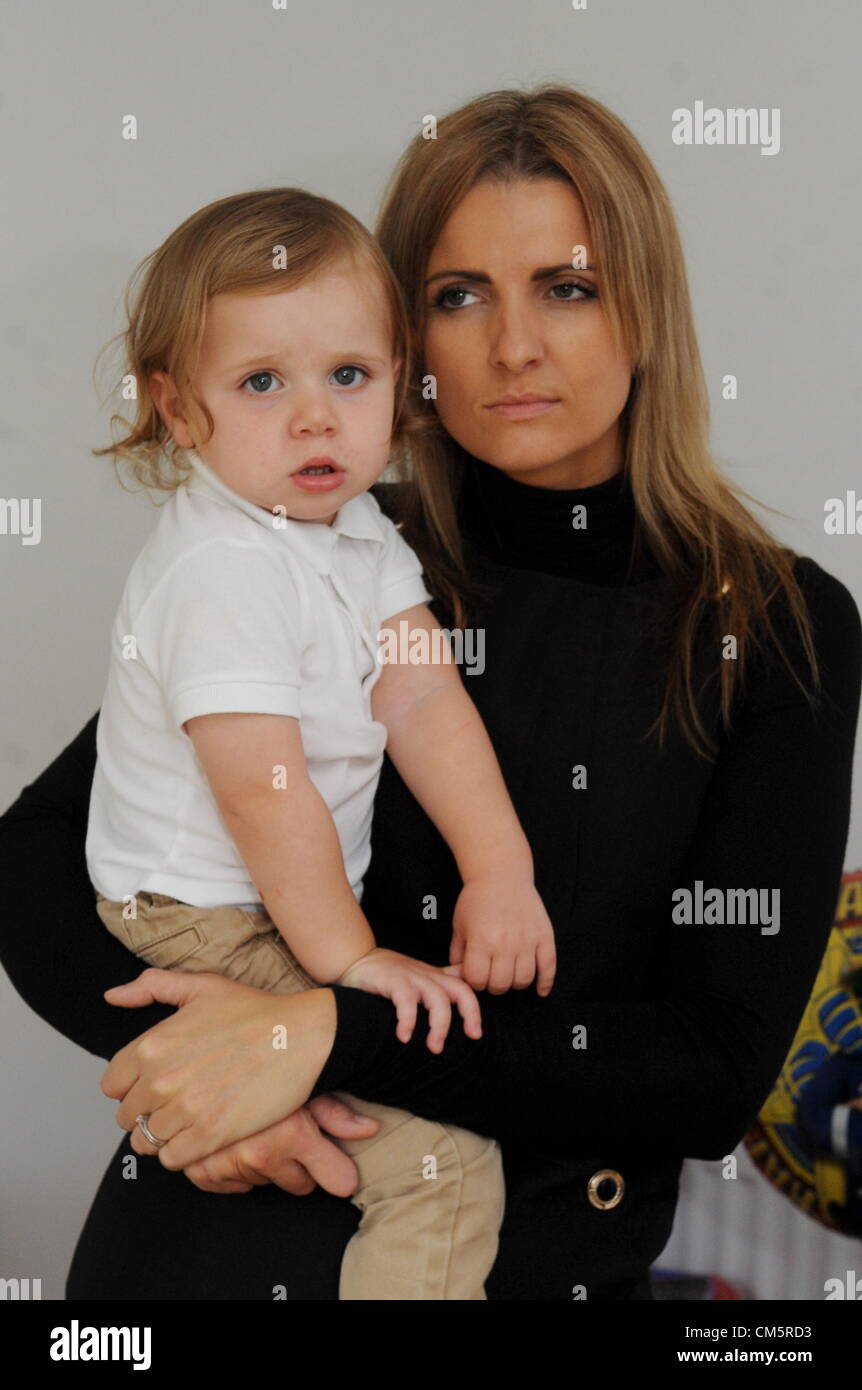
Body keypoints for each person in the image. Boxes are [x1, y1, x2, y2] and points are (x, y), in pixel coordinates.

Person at [1, 83, 860, 1302]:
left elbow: (708, 1070)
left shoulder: (773, 624)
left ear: (646, 309)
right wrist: (189, 1075)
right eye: (458, 296)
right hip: (198, 1248)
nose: (512, 346)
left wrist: (316, 1035)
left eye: (567, 286)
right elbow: (35, 859)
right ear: (409, 344)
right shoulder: (314, 542)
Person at [84, 186, 557, 1300]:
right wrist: (349, 967)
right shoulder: (226, 567)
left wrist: (501, 871)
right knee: (442, 1165)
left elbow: (426, 703)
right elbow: (264, 791)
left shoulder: (348, 532)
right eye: (261, 383)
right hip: (203, 911)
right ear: (177, 408)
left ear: (398, 378)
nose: (314, 418)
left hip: (269, 898)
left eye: (348, 375)